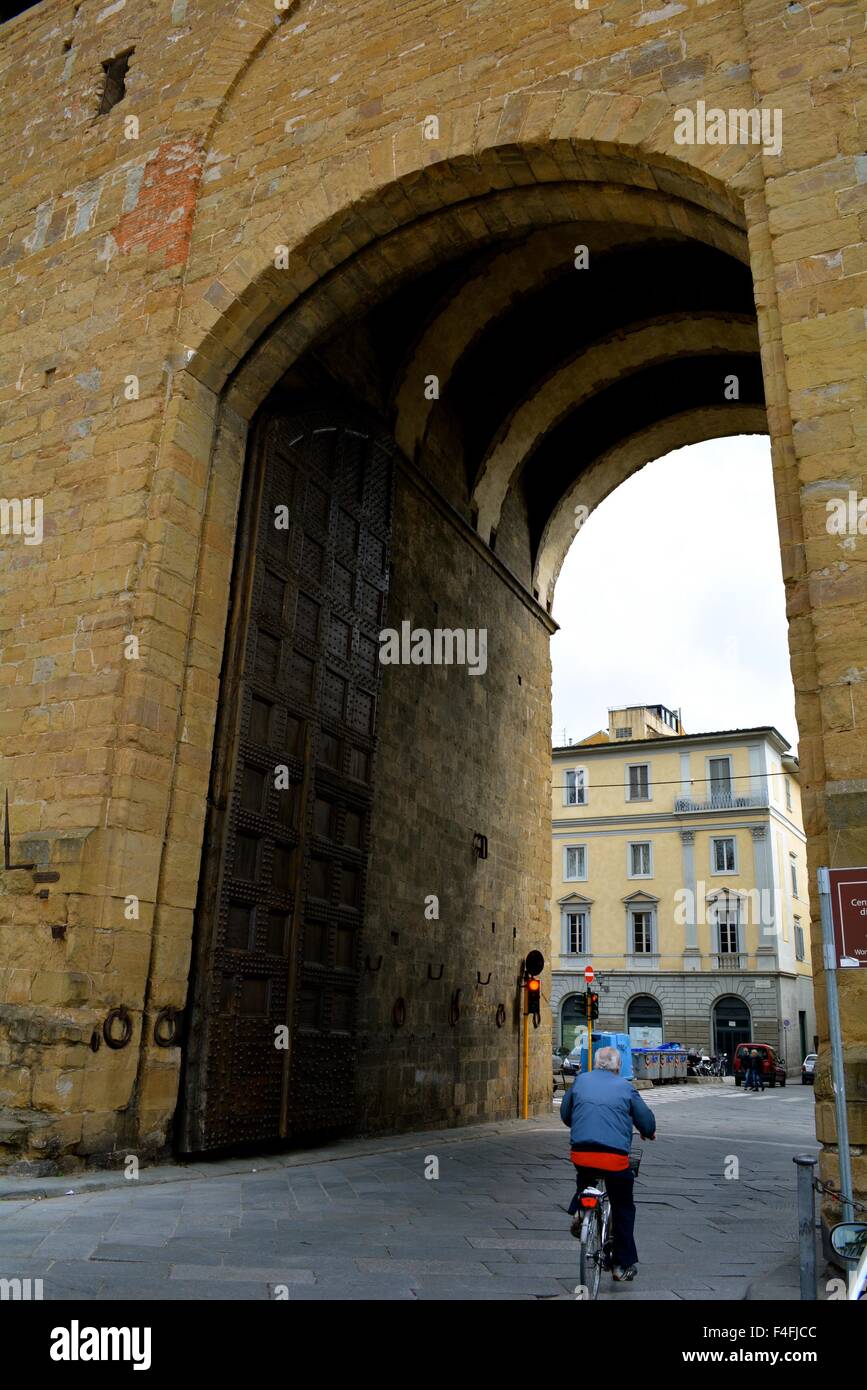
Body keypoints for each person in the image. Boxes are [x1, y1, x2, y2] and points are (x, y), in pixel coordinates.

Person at [560, 1045, 656, 1283]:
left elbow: (565, 1114)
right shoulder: (626, 1087)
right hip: (613, 1158)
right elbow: (646, 1121)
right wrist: (647, 1132)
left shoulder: (580, 1081)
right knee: (623, 1206)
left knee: (585, 1176)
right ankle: (622, 1266)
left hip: (581, 1153)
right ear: (619, 1066)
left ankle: (582, 1210)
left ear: (595, 1063)